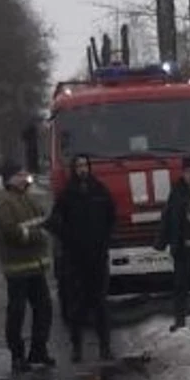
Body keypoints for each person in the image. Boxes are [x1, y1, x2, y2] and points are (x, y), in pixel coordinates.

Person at [46, 154, 118, 363]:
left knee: (100, 304)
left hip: (97, 257)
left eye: (85, 165)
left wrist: (105, 240)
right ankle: (76, 349)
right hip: (75, 260)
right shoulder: (67, 195)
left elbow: (111, 217)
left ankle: (105, 348)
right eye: (78, 166)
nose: (82, 169)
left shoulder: (100, 191)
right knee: (75, 307)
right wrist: (67, 238)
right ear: (73, 169)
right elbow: (54, 222)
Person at [0, 158, 55, 373]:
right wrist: (35, 235)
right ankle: (17, 356)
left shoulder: (28, 199)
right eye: (20, 174)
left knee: (44, 309)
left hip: (36, 266)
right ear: (10, 178)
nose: (25, 177)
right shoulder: (3, 203)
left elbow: (44, 219)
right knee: (17, 312)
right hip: (17, 268)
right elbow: (9, 232)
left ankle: (38, 350)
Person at [155, 160, 190, 332]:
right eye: (189, 172)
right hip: (181, 247)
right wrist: (161, 242)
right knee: (180, 285)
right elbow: (167, 218)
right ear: (183, 174)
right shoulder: (176, 192)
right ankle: (179, 320)